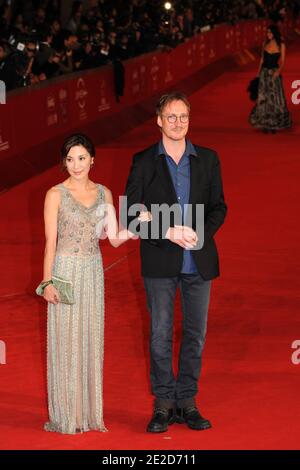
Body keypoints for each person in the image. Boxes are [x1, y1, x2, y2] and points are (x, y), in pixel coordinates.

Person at [122, 92, 227, 433]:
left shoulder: (208, 159)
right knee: (160, 335)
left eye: (183, 116)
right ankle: (164, 403)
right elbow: (131, 215)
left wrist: (198, 233)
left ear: (189, 119)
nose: (177, 122)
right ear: (159, 121)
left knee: (196, 335)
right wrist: (167, 230)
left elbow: (219, 207)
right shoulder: (143, 161)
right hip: (160, 261)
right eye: (171, 117)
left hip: (199, 262)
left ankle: (188, 401)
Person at [40, 133, 149, 434]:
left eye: (82, 158)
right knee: (65, 341)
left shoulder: (104, 194)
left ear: (92, 160)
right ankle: (66, 413)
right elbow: (50, 243)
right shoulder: (55, 194)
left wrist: (140, 226)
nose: (76, 165)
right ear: (64, 162)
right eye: (70, 159)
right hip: (64, 271)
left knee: (88, 338)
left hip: (92, 273)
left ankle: (87, 413)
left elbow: (113, 238)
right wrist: (47, 282)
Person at [249, 24, 291, 133]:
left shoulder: (281, 45)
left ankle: (274, 124)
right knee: (264, 98)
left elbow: (283, 61)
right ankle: (265, 124)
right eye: (267, 33)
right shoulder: (265, 44)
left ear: (274, 33)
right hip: (264, 74)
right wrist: (258, 74)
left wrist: (278, 72)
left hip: (274, 74)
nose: (268, 35)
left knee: (275, 99)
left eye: (270, 33)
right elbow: (262, 60)